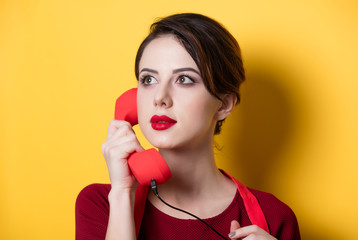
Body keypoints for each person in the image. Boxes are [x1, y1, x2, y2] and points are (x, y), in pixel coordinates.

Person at [75, 13, 301, 240]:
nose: (159, 98)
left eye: (184, 79)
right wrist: (123, 193)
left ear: (223, 104)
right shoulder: (102, 204)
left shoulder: (274, 217)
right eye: (148, 80)